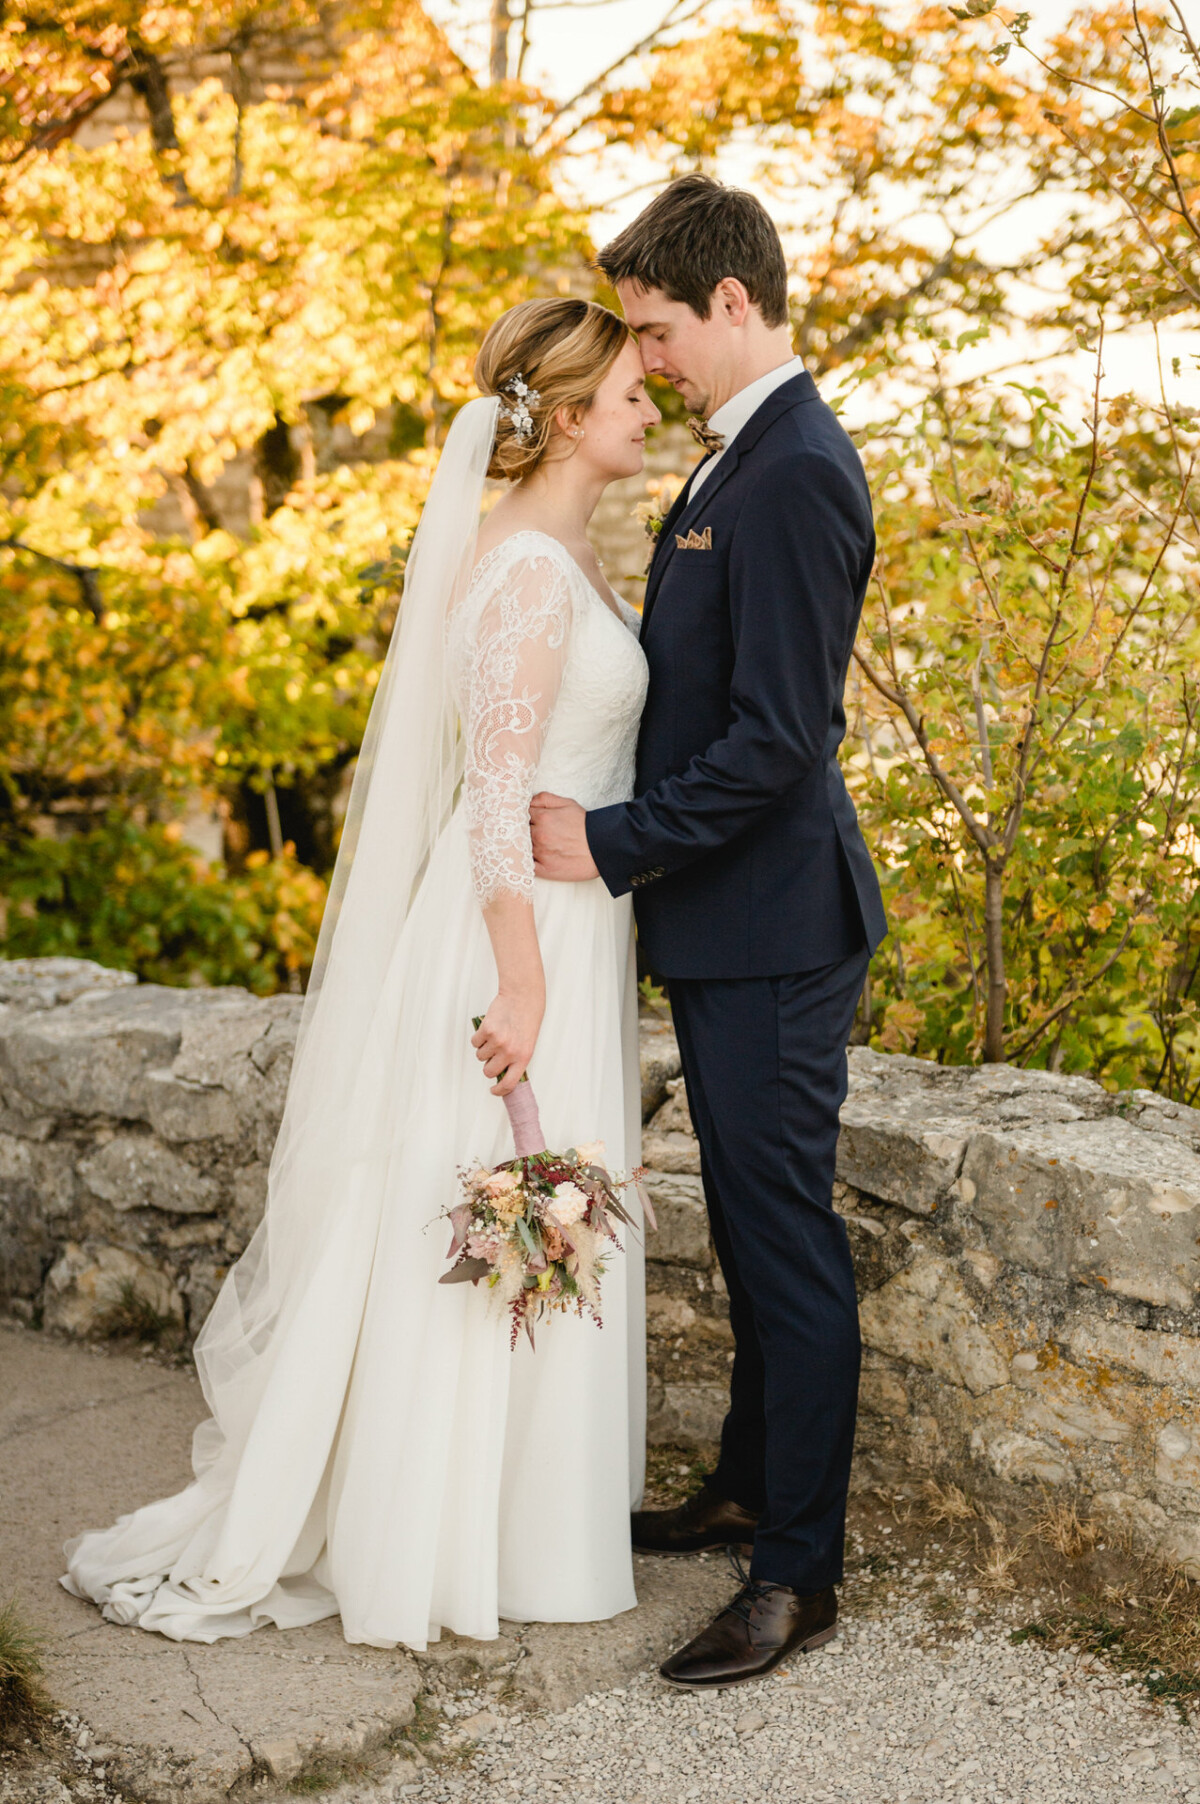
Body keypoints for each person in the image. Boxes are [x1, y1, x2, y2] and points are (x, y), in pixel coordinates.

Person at [61, 298, 660, 1651]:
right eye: (627, 392)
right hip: (523, 934)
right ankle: (441, 1535)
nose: (647, 408)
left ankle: (526, 1524)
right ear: (564, 418)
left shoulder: (564, 550)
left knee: (522, 1208)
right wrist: (520, 986)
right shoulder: (521, 572)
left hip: (568, 921)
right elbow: (500, 800)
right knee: (486, 1199)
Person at [531, 175, 887, 1689]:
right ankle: (748, 1483)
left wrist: (607, 846)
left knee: (786, 1241)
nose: (651, 361)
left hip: (778, 931)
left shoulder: (795, 468)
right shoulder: (736, 461)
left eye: (663, 331)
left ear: (731, 304)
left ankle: (796, 1575)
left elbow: (776, 746)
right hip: (729, 924)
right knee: (749, 1227)